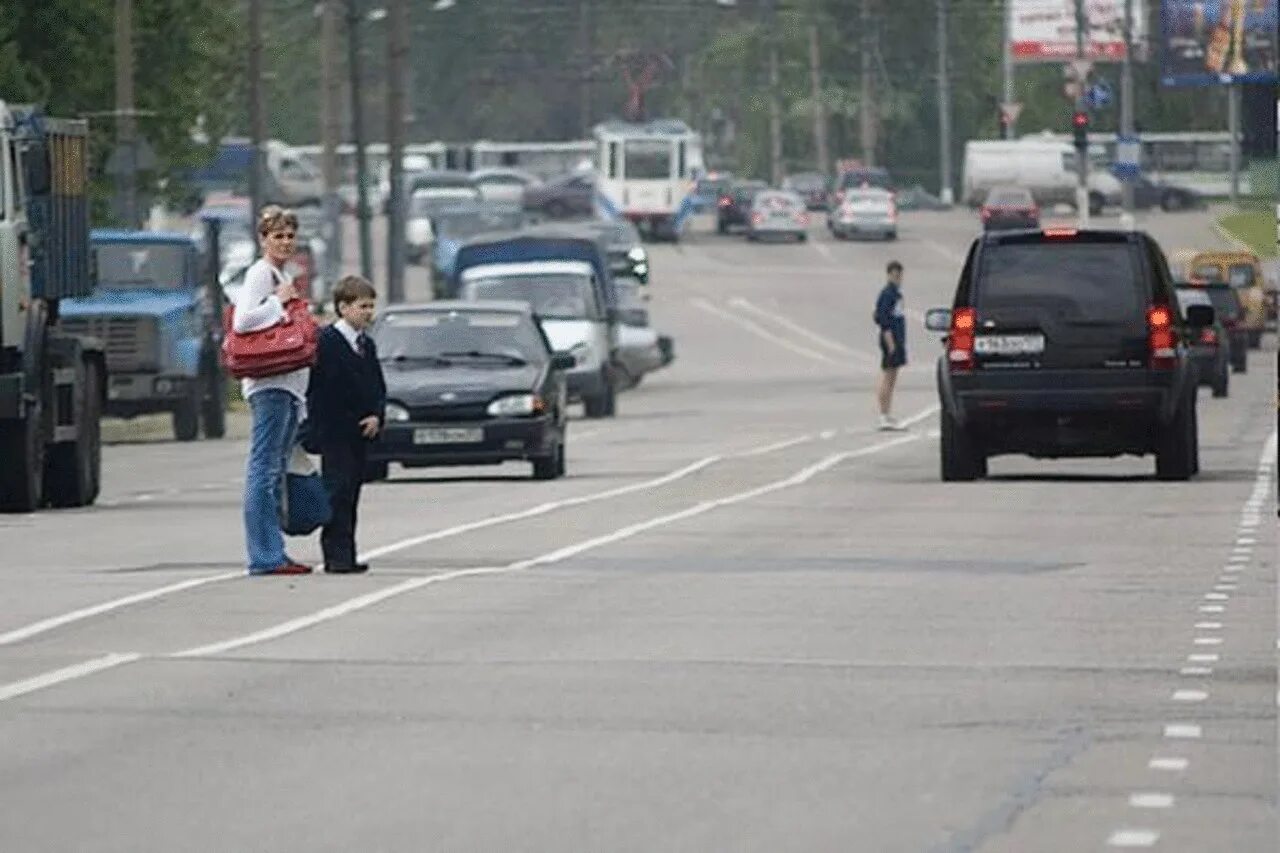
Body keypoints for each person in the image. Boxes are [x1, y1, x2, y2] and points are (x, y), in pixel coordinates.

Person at [234, 206, 313, 575]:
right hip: (270, 383)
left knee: (274, 469)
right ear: (262, 239)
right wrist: (279, 302)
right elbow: (244, 319)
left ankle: (274, 552)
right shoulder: (259, 274)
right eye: (277, 235)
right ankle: (263, 556)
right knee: (263, 470)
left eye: (289, 236)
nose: (284, 242)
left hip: (287, 385)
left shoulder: (278, 273)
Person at [305, 275, 386, 574]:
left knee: (351, 492)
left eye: (370, 306)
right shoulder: (328, 343)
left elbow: (377, 385)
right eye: (362, 306)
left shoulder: (367, 344)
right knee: (337, 490)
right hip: (336, 431)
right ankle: (335, 555)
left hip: (361, 432)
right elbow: (323, 392)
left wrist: (377, 414)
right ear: (343, 307)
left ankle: (347, 552)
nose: (368, 312)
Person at [874, 260, 908, 431]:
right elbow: (883, 320)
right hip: (890, 339)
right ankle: (883, 415)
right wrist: (891, 343)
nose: (897, 278)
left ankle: (888, 413)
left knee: (893, 378)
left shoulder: (897, 294)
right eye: (894, 275)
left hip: (898, 339)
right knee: (888, 377)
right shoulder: (887, 294)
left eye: (899, 275)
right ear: (888, 275)